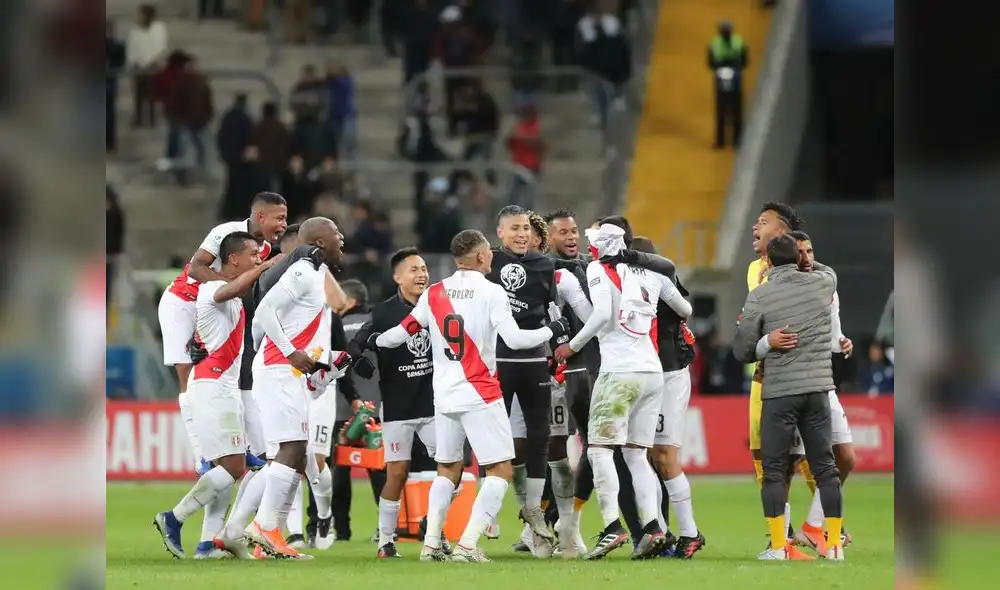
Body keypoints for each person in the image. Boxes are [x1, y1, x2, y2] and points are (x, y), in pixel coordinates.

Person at [373, 229, 571, 562]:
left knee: (447, 469)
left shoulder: (435, 292)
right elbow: (516, 340)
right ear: (480, 256)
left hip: (445, 397)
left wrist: (376, 341)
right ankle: (467, 545)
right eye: (488, 253)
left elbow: (399, 334)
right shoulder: (492, 292)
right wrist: (554, 329)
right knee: (500, 470)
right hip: (480, 391)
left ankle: (432, 544)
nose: (492, 257)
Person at [553, 220, 691, 560]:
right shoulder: (654, 272)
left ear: (604, 246)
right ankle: (653, 528)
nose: (590, 248)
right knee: (635, 454)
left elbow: (599, 316)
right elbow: (685, 309)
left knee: (599, 450)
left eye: (595, 242)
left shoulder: (600, 270)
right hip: (652, 372)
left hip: (618, 372)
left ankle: (613, 526)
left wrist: (572, 345)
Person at [153, 232, 279, 560]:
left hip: (219, 387)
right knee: (234, 466)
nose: (257, 259)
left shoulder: (230, 294)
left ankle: (208, 542)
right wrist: (270, 264)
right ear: (234, 258)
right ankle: (174, 518)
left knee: (227, 467)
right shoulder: (212, 289)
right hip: (213, 388)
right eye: (253, 255)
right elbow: (234, 287)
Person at [732, 233, 845, 561]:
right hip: (817, 390)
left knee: (775, 469)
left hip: (780, 393)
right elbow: (825, 269)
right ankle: (834, 544)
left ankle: (780, 546)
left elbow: (741, 350)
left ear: (767, 260)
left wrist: (766, 342)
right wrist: (805, 260)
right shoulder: (823, 283)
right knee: (826, 467)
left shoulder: (760, 294)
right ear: (799, 257)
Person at [157, 192, 288, 472]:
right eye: (280, 218)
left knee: (231, 374)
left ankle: (241, 447)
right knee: (187, 374)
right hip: (182, 303)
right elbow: (196, 268)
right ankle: (201, 455)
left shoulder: (261, 250)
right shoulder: (227, 232)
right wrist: (224, 288)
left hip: (216, 309)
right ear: (260, 216)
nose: (283, 224)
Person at [243, 217, 347, 559]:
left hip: (290, 372)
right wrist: (291, 352)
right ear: (319, 242)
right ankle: (264, 528)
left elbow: (301, 327)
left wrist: (325, 360)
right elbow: (266, 309)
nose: (341, 238)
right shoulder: (302, 270)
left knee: (297, 452)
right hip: (278, 368)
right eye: (335, 234)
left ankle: (266, 538)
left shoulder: (317, 274)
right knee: (291, 448)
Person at [504, 213, 593, 556]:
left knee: (556, 448)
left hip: (554, 373)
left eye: (531, 234)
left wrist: (567, 344)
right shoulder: (502, 277)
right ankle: (534, 525)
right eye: (520, 232)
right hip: (512, 369)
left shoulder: (567, 276)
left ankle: (569, 532)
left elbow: (591, 318)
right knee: (514, 451)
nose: (526, 239)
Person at [347, 248, 437, 559]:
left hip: (434, 403)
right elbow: (356, 344)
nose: (421, 274)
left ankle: (433, 527)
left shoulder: (438, 305)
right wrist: (359, 360)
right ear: (397, 277)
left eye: (424, 268)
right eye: (413, 269)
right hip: (398, 407)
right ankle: (386, 541)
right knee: (396, 473)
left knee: (452, 468)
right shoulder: (383, 313)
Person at [485, 205, 560, 558]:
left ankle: (533, 510)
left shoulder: (546, 266)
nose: (521, 234)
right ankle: (489, 507)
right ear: (499, 232)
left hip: (533, 361)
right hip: (497, 361)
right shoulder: (487, 264)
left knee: (539, 435)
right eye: (514, 228)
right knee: (490, 433)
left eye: (526, 228)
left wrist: (561, 342)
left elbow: (553, 308)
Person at [629, 236, 706, 559]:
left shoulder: (659, 281)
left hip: (669, 374)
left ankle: (689, 533)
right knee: (643, 455)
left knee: (663, 455)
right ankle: (663, 533)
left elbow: (685, 310)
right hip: (645, 374)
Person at [745, 201, 813, 559]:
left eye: (764, 222)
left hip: (800, 376)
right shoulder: (754, 269)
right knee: (764, 457)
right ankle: (781, 534)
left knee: (811, 456)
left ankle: (823, 523)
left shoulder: (806, 270)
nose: (755, 226)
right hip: (762, 377)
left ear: (782, 233)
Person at [788, 231, 856, 552]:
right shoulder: (780, 288)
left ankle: (812, 525)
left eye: (810, 250)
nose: (806, 257)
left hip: (823, 381)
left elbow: (833, 333)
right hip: (793, 384)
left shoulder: (828, 286)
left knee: (845, 456)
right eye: (799, 252)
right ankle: (781, 538)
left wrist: (841, 342)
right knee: (787, 464)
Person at [707, 20, 748, 148]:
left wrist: (720, 65)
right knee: (731, 108)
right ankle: (734, 141)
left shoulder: (715, 43)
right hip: (733, 75)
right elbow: (745, 61)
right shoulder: (737, 41)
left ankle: (723, 141)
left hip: (724, 76)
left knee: (724, 108)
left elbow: (710, 63)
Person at [126, 4, 167, 128]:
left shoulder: (159, 28)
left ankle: (152, 119)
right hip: (138, 66)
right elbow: (131, 47)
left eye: (141, 14)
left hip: (152, 66)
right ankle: (138, 118)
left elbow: (161, 46)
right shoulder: (134, 29)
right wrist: (134, 62)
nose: (139, 17)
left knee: (151, 94)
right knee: (138, 94)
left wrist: (154, 61)